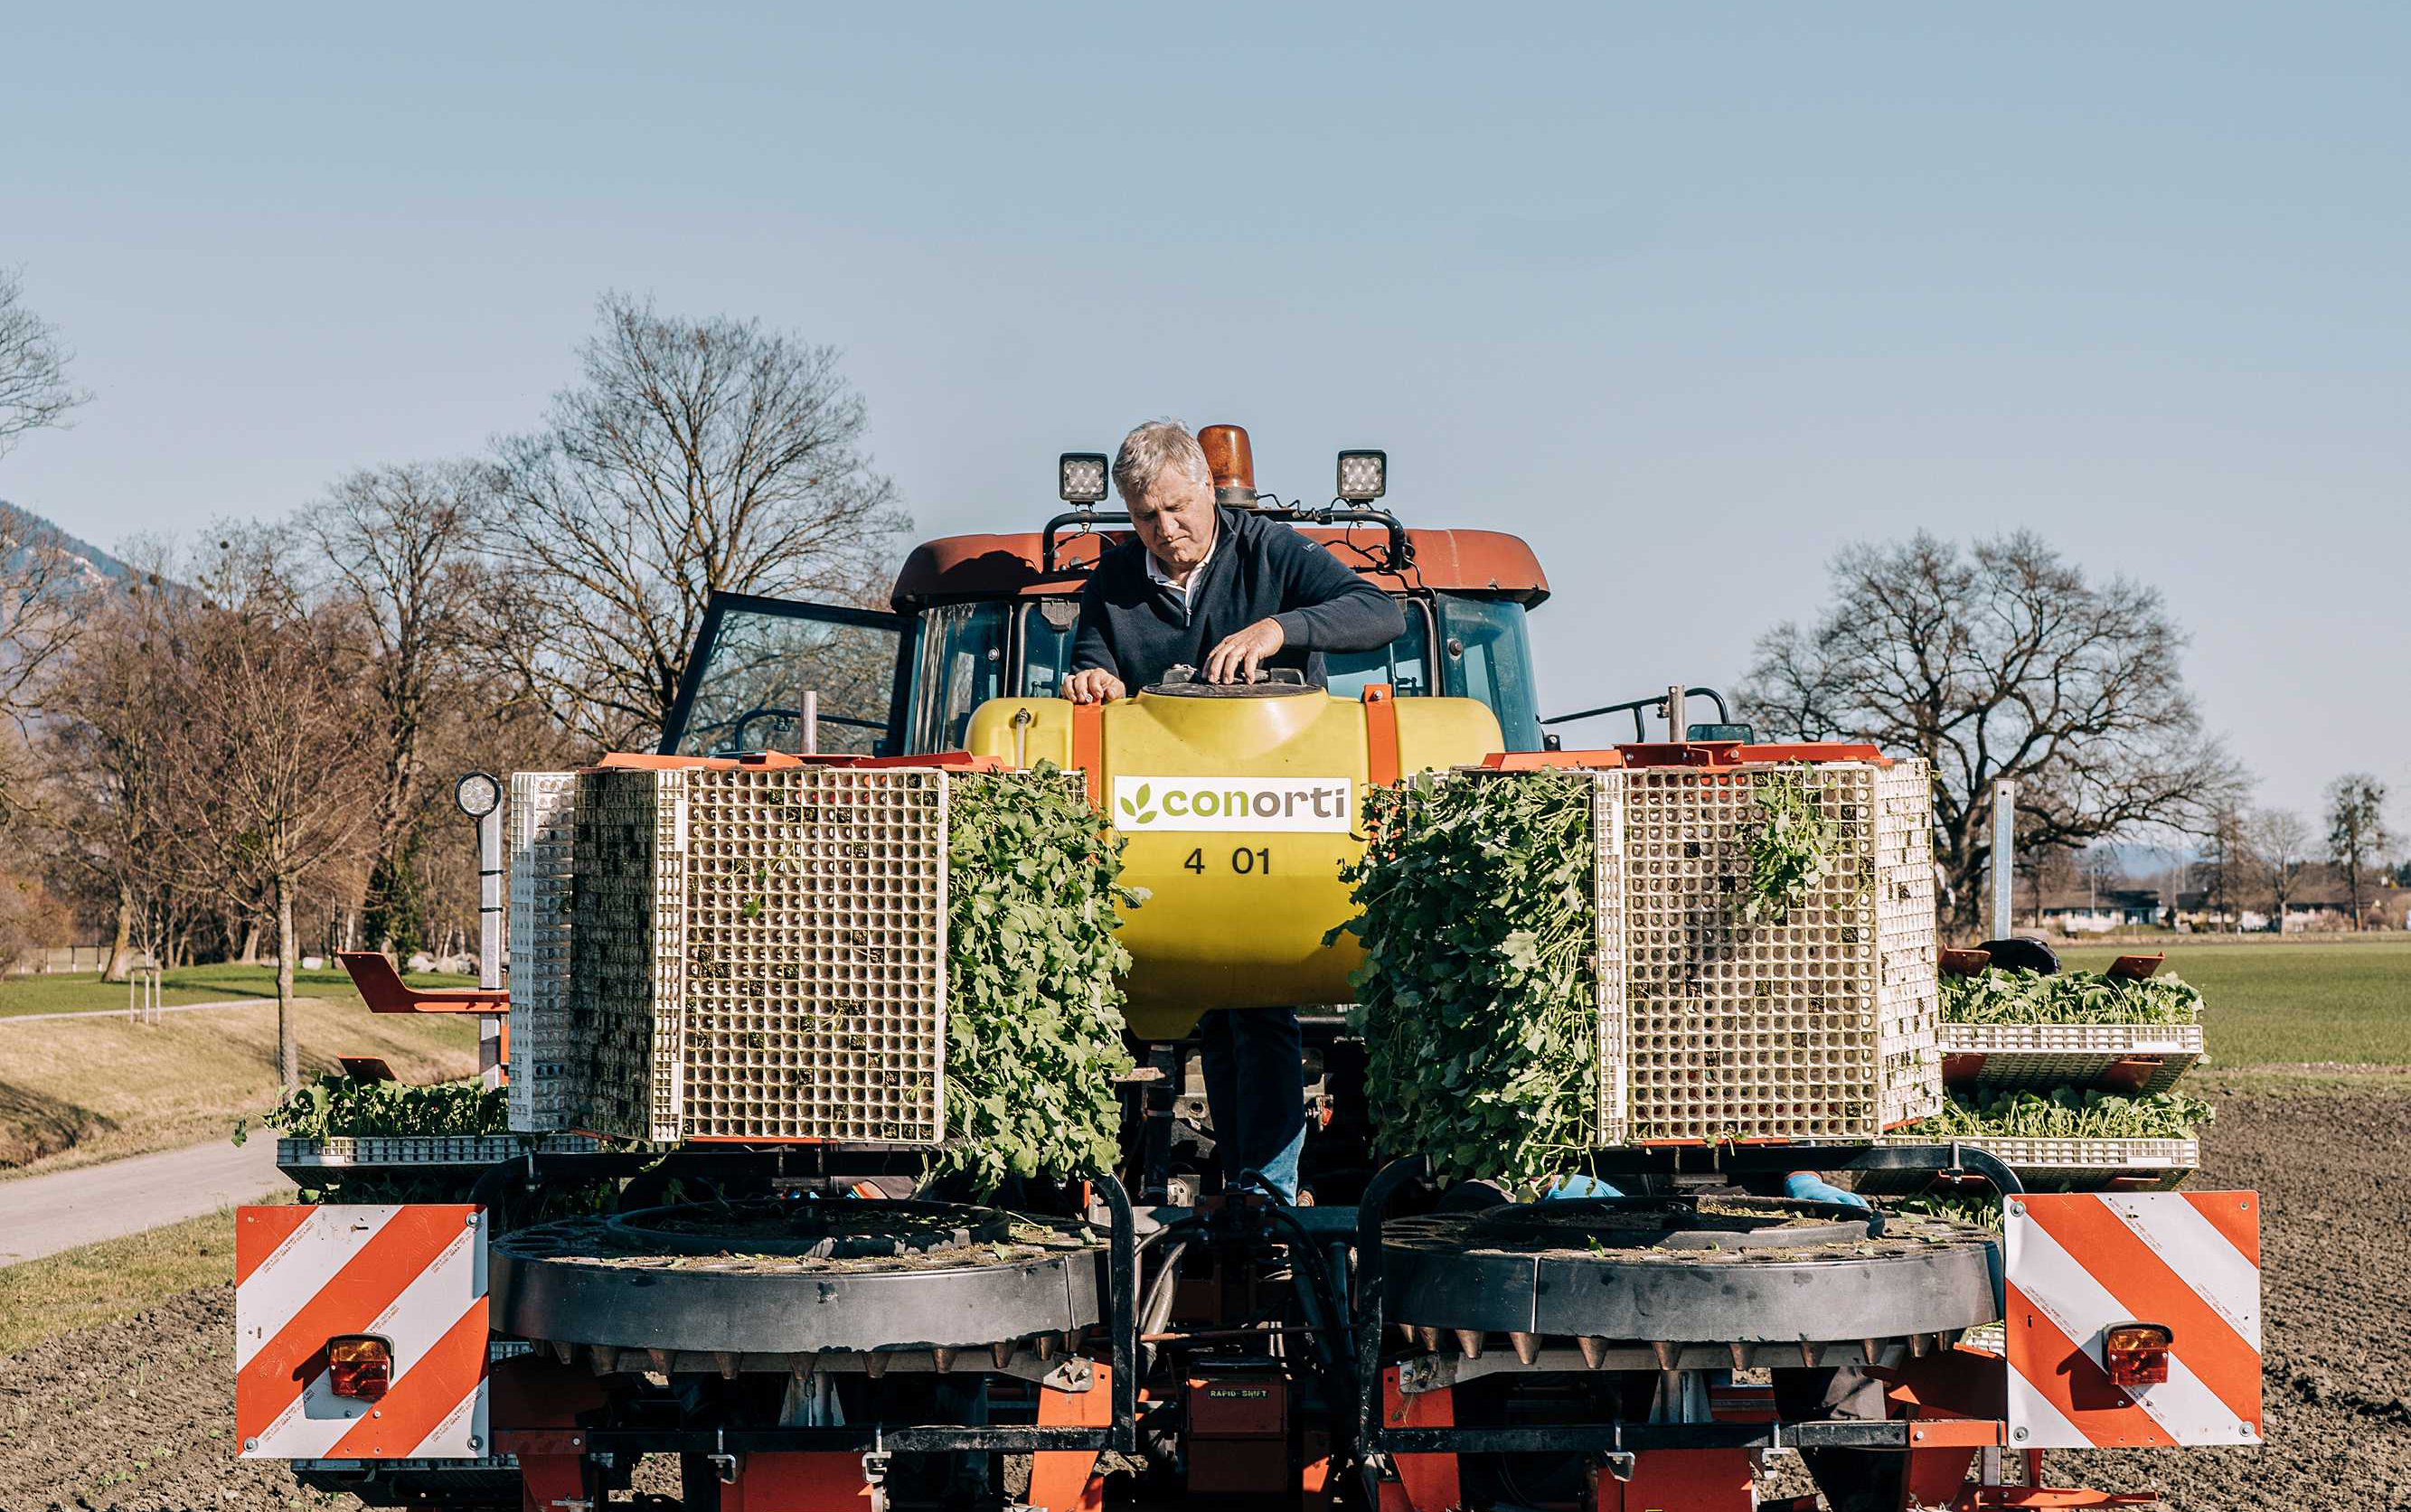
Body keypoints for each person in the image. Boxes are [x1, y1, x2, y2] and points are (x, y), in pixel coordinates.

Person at [1063, 419, 1405, 1201]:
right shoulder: (1113, 582)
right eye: (1145, 517)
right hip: (1170, 826)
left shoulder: (1269, 551)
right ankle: (1231, 1184)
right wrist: (1093, 682)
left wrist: (1280, 626)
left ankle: (1267, 1190)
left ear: (1209, 490)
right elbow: (1091, 658)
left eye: (1179, 509)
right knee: (1218, 1004)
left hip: (1278, 814)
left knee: (1258, 1002)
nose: (1166, 529)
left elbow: (1377, 612)